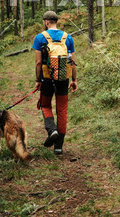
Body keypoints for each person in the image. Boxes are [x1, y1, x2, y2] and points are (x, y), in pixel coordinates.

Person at [32, 11, 77, 155]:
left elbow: (39, 62)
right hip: (63, 78)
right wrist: (74, 80)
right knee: (62, 110)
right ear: (56, 21)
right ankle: (59, 147)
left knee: (45, 105)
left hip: (46, 78)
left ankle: (52, 130)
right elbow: (73, 62)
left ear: (46, 22)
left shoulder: (40, 37)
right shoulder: (67, 37)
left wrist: (38, 80)